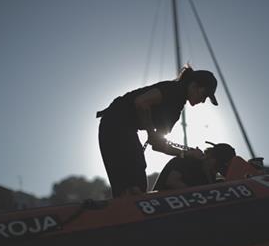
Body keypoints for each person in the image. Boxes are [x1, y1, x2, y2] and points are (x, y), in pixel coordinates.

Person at [96, 66, 218, 198]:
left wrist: (186, 154)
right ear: (194, 86)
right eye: (204, 95)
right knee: (133, 183)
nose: (204, 100)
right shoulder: (173, 89)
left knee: (137, 180)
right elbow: (141, 102)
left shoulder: (175, 111)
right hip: (115, 123)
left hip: (121, 128)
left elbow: (158, 145)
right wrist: (150, 132)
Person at [153, 142, 236, 191]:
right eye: (218, 165)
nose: (216, 171)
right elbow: (172, 181)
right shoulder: (188, 161)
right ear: (211, 156)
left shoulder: (210, 179)